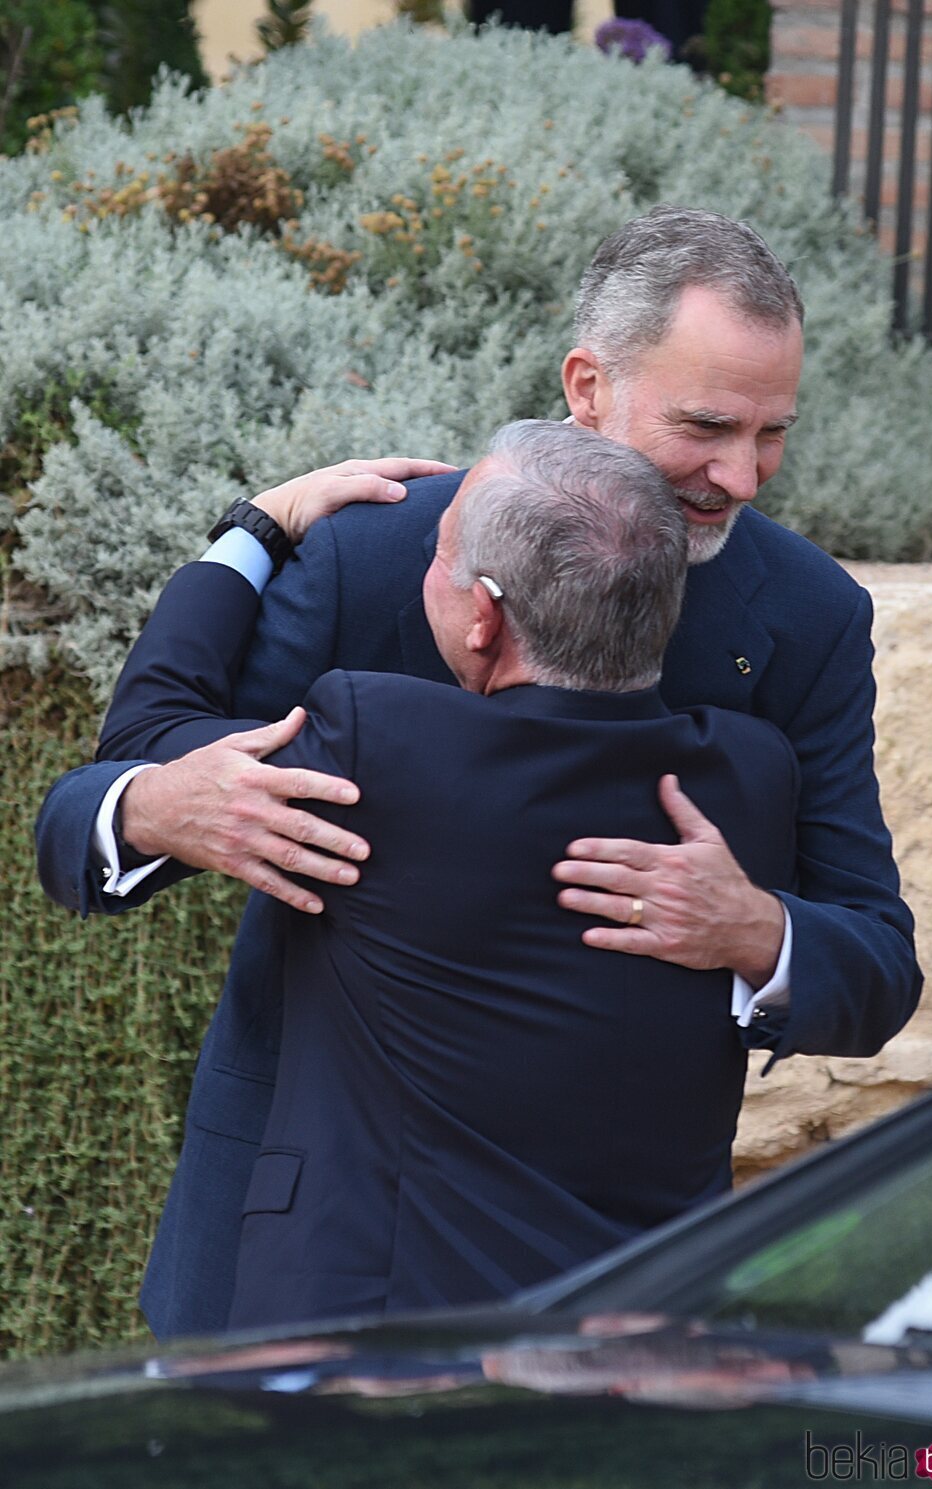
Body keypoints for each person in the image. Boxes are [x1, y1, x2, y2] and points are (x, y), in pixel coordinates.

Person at [36, 206, 922, 1338]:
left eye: (771, 434)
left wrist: (759, 932)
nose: (739, 476)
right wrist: (161, 809)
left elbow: (874, 959)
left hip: (624, 1287)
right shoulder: (377, 554)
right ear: (586, 385)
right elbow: (111, 799)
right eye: (705, 425)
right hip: (294, 1257)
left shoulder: (802, 618)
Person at [101, 420, 800, 1329]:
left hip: (380, 1331)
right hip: (639, 1329)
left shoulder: (374, 745)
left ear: (485, 617)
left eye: (439, 557)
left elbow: (146, 740)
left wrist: (260, 525)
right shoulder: (751, 776)